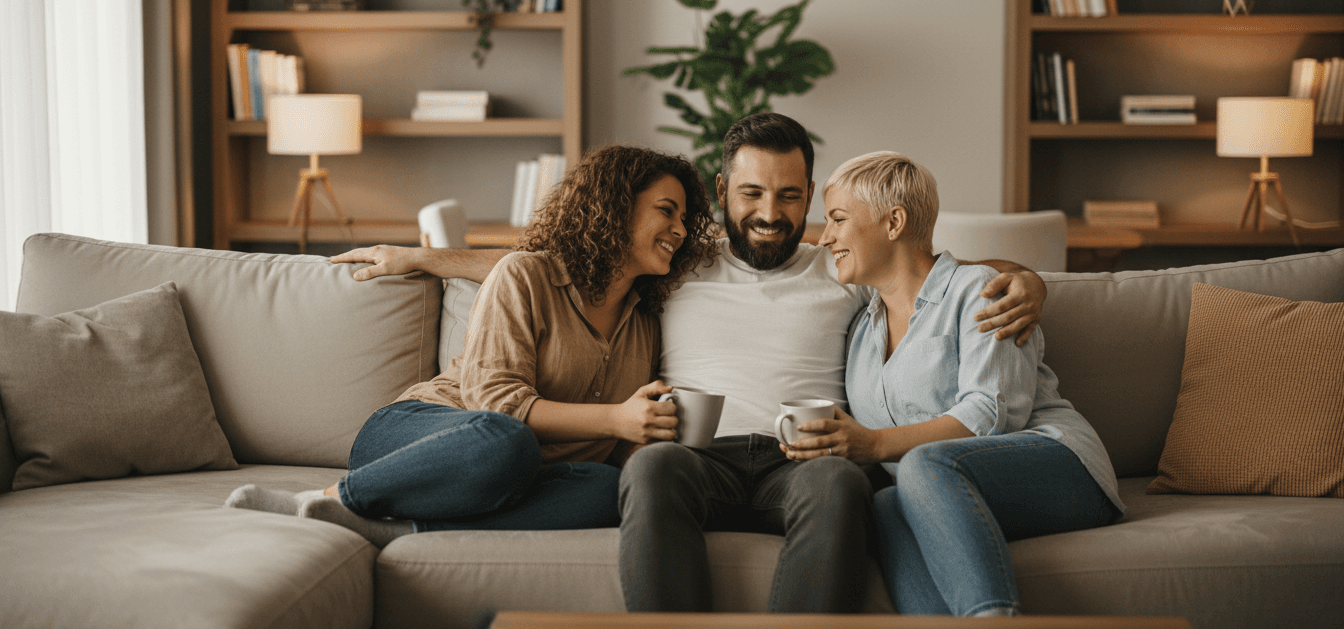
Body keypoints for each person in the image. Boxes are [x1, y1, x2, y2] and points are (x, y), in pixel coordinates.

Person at [330, 113, 1048, 611]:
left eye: (791, 196)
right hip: (694, 453)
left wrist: (1029, 279)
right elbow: (558, 260)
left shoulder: (836, 268)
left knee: (839, 484)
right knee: (646, 467)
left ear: (810, 199)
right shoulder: (679, 260)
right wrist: (423, 257)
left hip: (801, 457)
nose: (771, 212)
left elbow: (924, 266)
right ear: (724, 192)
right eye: (752, 194)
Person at [224, 145, 718, 546]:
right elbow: (495, 404)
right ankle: (333, 495)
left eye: (685, 218)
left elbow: (618, 447)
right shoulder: (527, 276)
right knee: (507, 440)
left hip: (520, 473)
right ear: (616, 209)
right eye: (666, 211)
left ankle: (385, 526)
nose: (679, 228)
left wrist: (645, 448)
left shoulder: (644, 322)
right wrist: (615, 418)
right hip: (425, 438)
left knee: (614, 491)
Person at [780, 151, 1124, 617]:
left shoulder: (980, 290)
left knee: (922, 467)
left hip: (1059, 467)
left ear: (894, 221)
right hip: (941, 488)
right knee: (883, 504)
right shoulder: (863, 327)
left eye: (838, 219)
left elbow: (990, 413)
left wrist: (875, 443)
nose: (826, 238)